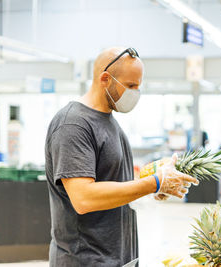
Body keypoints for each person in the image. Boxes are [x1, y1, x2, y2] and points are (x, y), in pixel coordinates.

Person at [44, 47, 198, 267]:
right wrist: (153, 183)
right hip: (85, 260)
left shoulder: (110, 121)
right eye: (130, 86)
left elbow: (111, 184)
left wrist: (153, 182)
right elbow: (83, 198)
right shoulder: (73, 124)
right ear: (105, 79)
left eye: (138, 86)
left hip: (117, 257)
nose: (136, 93)